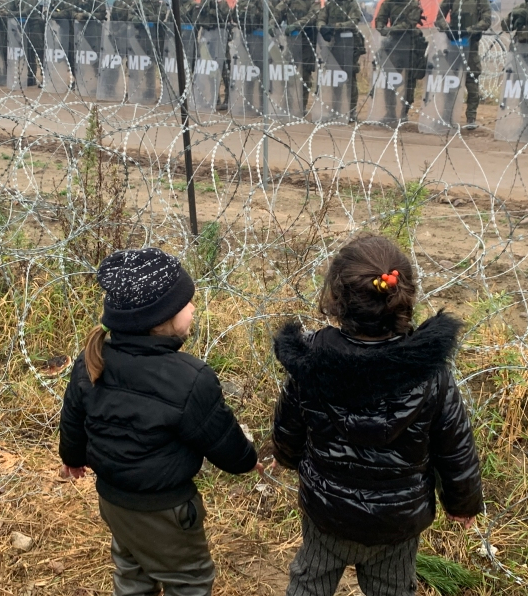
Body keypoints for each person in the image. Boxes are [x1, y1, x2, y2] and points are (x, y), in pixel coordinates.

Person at [271, 235, 484, 596]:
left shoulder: (310, 361)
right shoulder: (430, 373)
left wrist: (285, 456)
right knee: (393, 589)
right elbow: (454, 446)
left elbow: (289, 424)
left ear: (336, 299)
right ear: (404, 296)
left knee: (310, 580)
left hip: (328, 511)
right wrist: (462, 503)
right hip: (396, 521)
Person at [58, 248, 261, 596]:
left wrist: (72, 458)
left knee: (132, 574)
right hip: (167, 509)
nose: (193, 307)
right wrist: (247, 461)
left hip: (113, 500)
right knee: (190, 581)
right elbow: (220, 438)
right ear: (161, 318)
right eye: (185, 302)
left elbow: (73, 417)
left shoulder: (92, 358)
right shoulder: (189, 378)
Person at [436, 0, 492, 129]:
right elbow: (439, 18)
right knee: (451, 83)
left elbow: (486, 20)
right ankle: (447, 115)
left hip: (470, 46)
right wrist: (448, 29)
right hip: (453, 46)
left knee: (472, 84)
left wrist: (469, 30)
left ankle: (471, 118)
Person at [374, 0, 426, 121]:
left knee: (409, 83)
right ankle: (390, 113)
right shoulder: (388, 3)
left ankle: (404, 112)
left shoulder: (413, 4)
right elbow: (380, 19)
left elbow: (410, 24)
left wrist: (391, 30)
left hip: (410, 46)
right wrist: (382, 29)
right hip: (393, 47)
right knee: (390, 80)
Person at [318, 0, 366, 120]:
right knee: (335, 79)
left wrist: (334, 27)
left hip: (350, 44)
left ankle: (351, 111)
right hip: (335, 44)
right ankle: (336, 109)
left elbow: (353, 21)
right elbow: (321, 18)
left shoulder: (351, 2)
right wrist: (322, 28)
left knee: (349, 78)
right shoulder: (331, 3)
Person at [274, 0, 320, 110]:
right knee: (289, 73)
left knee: (305, 75)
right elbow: (278, 12)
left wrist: (296, 25)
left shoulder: (314, 0)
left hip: (308, 42)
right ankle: (288, 103)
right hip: (292, 42)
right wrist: (272, 23)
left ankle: (301, 106)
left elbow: (312, 16)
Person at [192, 0, 232, 110]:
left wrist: (211, 11)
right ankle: (215, 98)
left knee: (224, 69)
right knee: (210, 69)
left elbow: (226, 17)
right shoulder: (201, 1)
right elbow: (197, 22)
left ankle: (228, 98)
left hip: (220, 37)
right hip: (206, 37)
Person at [10, 0, 42, 86]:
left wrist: (10, 13)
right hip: (23, 26)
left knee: (39, 51)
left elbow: (25, 12)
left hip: (34, 25)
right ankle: (31, 76)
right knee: (28, 53)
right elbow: (8, 8)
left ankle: (45, 76)